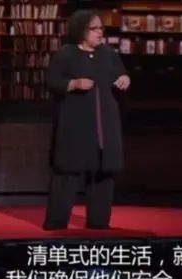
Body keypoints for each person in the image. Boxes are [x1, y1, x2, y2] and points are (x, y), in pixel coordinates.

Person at [43, 9, 130, 230]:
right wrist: (73, 84)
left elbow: (121, 74)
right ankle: (57, 222)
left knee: (103, 173)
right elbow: (52, 81)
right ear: (81, 30)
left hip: (103, 126)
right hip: (75, 125)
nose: (100, 32)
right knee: (67, 173)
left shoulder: (109, 54)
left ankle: (99, 222)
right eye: (94, 28)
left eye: (101, 28)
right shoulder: (66, 54)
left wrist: (124, 78)